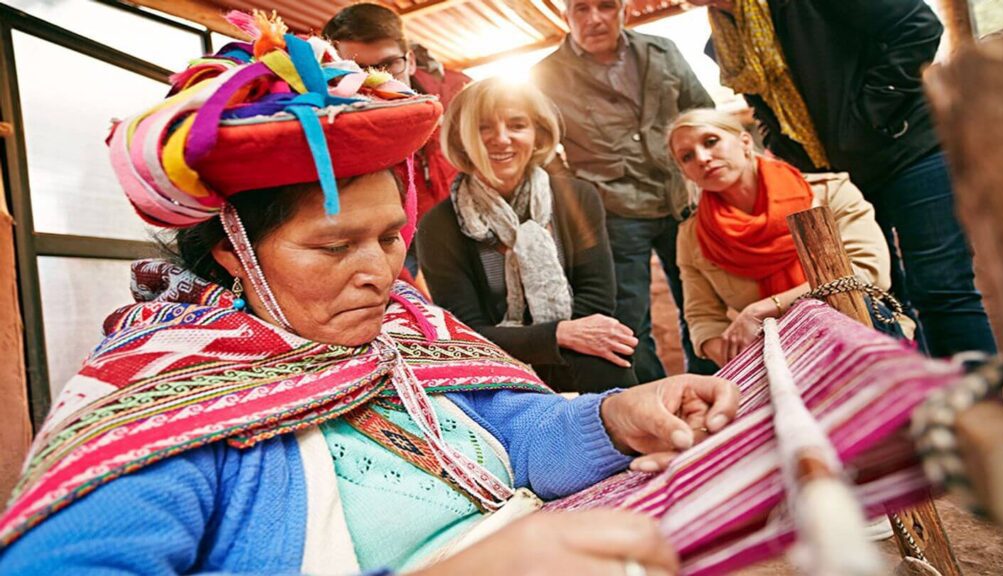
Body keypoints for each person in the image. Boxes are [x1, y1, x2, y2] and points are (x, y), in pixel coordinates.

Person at [0, 21, 740, 576]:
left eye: (390, 238)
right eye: (332, 246)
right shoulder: (162, 398)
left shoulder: (404, 328)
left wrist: (613, 418)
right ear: (233, 250)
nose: (380, 274)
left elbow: (516, 431)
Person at [691, 0, 996, 358]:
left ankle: (980, 406)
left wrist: (871, 116)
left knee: (942, 287)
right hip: (836, 173)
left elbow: (918, 27)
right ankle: (918, 402)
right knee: (875, 297)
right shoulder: (723, 37)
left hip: (907, 150)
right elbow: (764, 104)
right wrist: (789, 150)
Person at [532, 0, 719, 381]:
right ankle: (656, 399)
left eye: (606, 6)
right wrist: (578, 195)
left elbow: (701, 111)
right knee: (628, 320)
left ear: (625, 10)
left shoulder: (662, 49)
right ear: (565, 16)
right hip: (613, 213)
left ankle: (712, 384)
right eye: (581, 9)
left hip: (682, 201)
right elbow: (542, 147)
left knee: (702, 304)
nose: (595, 18)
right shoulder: (545, 74)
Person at [416, 78, 638, 393]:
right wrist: (555, 336)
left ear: (537, 135)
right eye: (483, 128)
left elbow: (597, 299)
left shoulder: (578, 197)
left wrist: (559, 339)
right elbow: (466, 330)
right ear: (461, 139)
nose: (501, 139)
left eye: (517, 125)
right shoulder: (438, 225)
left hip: (578, 347)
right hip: (495, 361)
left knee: (613, 362)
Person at [668, 109, 913, 367]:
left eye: (710, 142)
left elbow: (866, 273)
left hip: (862, 331)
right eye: (687, 157)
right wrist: (745, 361)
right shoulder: (692, 236)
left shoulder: (830, 192)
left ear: (745, 142)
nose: (702, 158)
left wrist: (764, 309)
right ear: (685, 173)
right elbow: (702, 318)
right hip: (778, 359)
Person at [324, 3, 470, 280]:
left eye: (388, 65)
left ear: (410, 60)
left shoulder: (454, 102)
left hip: (462, 236)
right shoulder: (325, 137)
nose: (375, 82)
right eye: (355, 69)